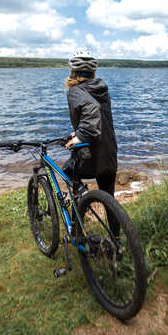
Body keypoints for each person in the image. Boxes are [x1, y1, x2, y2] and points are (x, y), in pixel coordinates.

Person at [62, 49, 119, 235]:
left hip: (91, 156)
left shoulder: (75, 90)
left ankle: (78, 226)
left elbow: (91, 111)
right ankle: (117, 243)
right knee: (110, 199)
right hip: (109, 153)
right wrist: (78, 131)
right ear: (93, 72)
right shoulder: (102, 89)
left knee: (67, 173)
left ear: (73, 71)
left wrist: (80, 136)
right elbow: (99, 116)